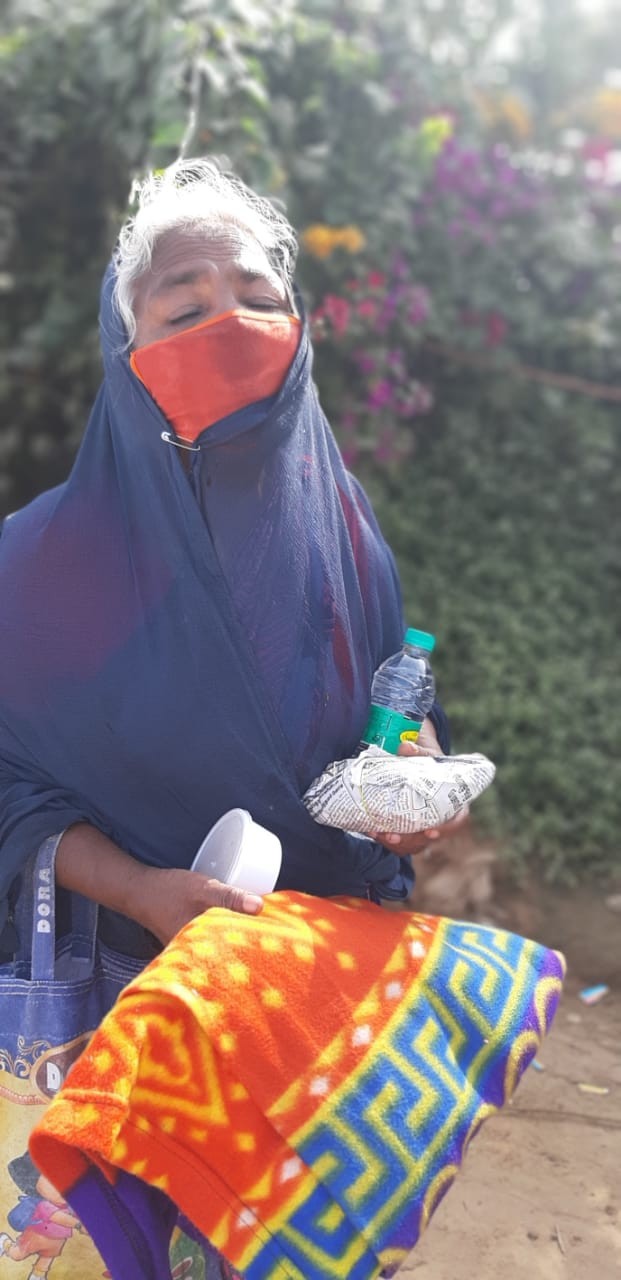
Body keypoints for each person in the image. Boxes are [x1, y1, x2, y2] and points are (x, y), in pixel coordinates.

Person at [0, 157, 453, 964]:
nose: (231, 326)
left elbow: (399, 713)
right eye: (185, 309)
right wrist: (139, 889)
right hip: (125, 996)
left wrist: (415, 792)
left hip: (316, 978)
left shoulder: (345, 526)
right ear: (123, 353)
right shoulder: (33, 563)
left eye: (259, 300)